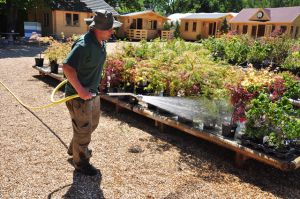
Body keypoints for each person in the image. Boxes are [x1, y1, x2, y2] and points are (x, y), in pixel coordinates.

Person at [63, 10, 122, 176]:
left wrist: (99, 81)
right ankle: (81, 162)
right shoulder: (84, 45)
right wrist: (81, 90)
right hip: (79, 96)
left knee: (92, 124)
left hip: (92, 92)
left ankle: (75, 148)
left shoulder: (101, 42)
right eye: (109, 29)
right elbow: (67, 67)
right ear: (97, 28)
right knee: (84, 130)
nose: (112, 31)